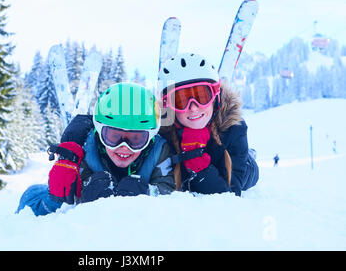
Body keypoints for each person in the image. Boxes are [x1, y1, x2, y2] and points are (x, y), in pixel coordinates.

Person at [16, 83, 175, 216]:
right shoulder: (85, 149)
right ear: (99, 131)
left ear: (151, 137)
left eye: (136, 139)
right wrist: (65, 195)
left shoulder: (158, 151)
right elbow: (28, 207)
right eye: (113, 137)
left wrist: (148, 192)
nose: (124, 147)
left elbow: (169, 191)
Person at [157, 52, 259, 196]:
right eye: (180, 100)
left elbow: (229, 193)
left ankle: (248, 155)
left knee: (250, 174)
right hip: (208, 171)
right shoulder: (163, 132)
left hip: (242, 166)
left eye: (201, 97)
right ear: (169, 107)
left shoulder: (233, 128)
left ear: (215, 97)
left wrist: (195, 160)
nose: (193, 108)